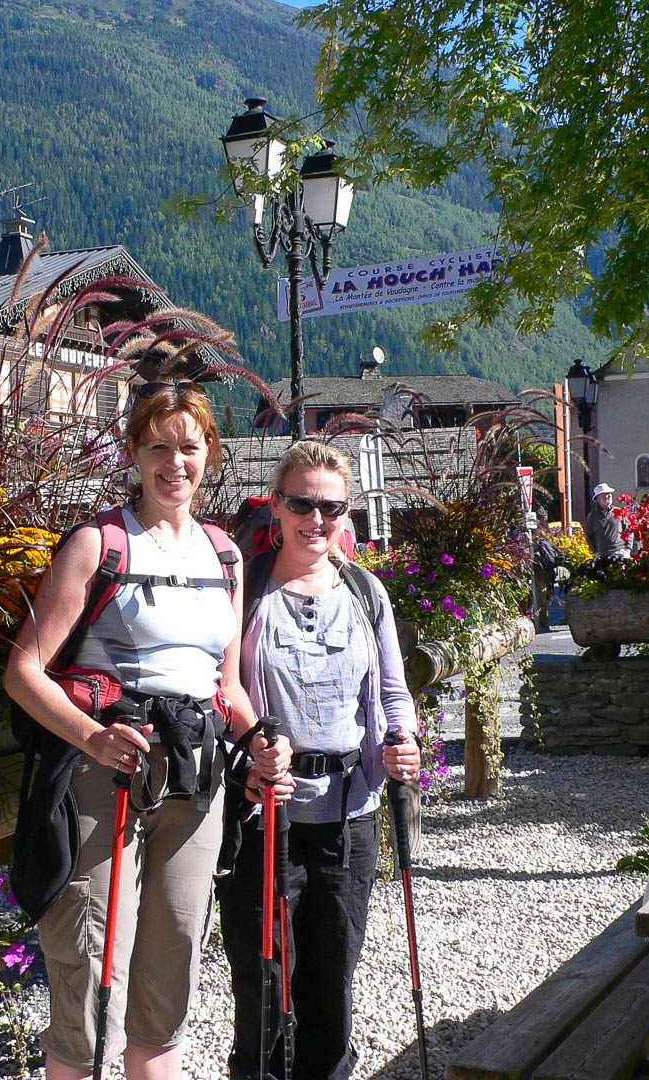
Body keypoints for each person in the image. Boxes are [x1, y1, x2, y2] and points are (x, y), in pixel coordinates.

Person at [3, 380, 291, 1080]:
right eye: (158, 446)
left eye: (189, 447)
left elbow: (225, 689)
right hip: (109, 777)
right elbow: (23, 670)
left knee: (170, 984)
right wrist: (91, 737)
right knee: (92, 980)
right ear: (133, 451)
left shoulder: (224, 556)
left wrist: (261, 739)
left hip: (199, 782)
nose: (174, 462)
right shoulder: (98, 544)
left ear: (209, 455)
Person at [218, 440, 420, 1080]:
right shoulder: (244, 592)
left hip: (348, 817)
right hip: (266, 817)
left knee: (333, 982)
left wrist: (404, 740)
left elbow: (392, 691)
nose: (317, 519)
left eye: (331, 507)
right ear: (277, 506)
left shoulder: (366, 592)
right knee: (264, 984)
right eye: (302, 503)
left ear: (347, 514)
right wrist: (244, 759)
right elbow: (221, 690)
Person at [583, 482, 629, 560]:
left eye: (609, 493)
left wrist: (627, 549)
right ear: (598, 498)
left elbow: (628, 530)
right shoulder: (592, 516)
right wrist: (595, 552)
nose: (609, 496)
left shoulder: (619, 512)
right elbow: (588, 536)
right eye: (605, 494)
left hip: (620, 552)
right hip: (602, 555)